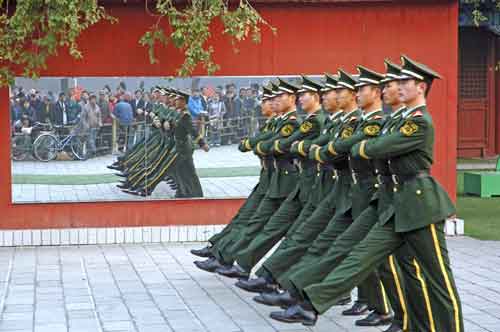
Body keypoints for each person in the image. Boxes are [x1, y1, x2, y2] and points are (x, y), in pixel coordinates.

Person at [270, 56, 464, 332]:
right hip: (392, 203)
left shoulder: (419, 122)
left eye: (404, 82)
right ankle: (312, 305)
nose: (396, 87)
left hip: (420, 205)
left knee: (437, 279)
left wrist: (363, 148)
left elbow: (376, 148)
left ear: (421, 87)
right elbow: (371, 145)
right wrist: (364, 147)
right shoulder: (398, 119)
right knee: (360, 257)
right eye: (395, 82)